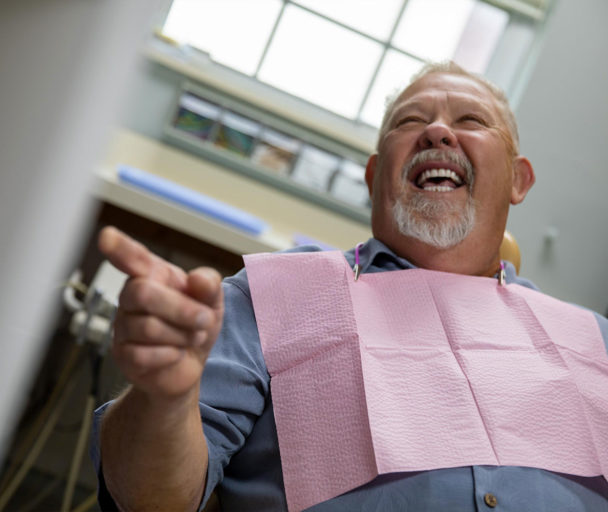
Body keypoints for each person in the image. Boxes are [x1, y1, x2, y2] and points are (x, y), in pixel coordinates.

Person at [91, 61, 608, 511]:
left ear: (519, 180)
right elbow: (150, 500)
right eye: (411, 121)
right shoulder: (273, 296)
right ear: (375, 174)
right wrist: (164, 399)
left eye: (470, 121)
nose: (437, 133)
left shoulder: (593, 342)